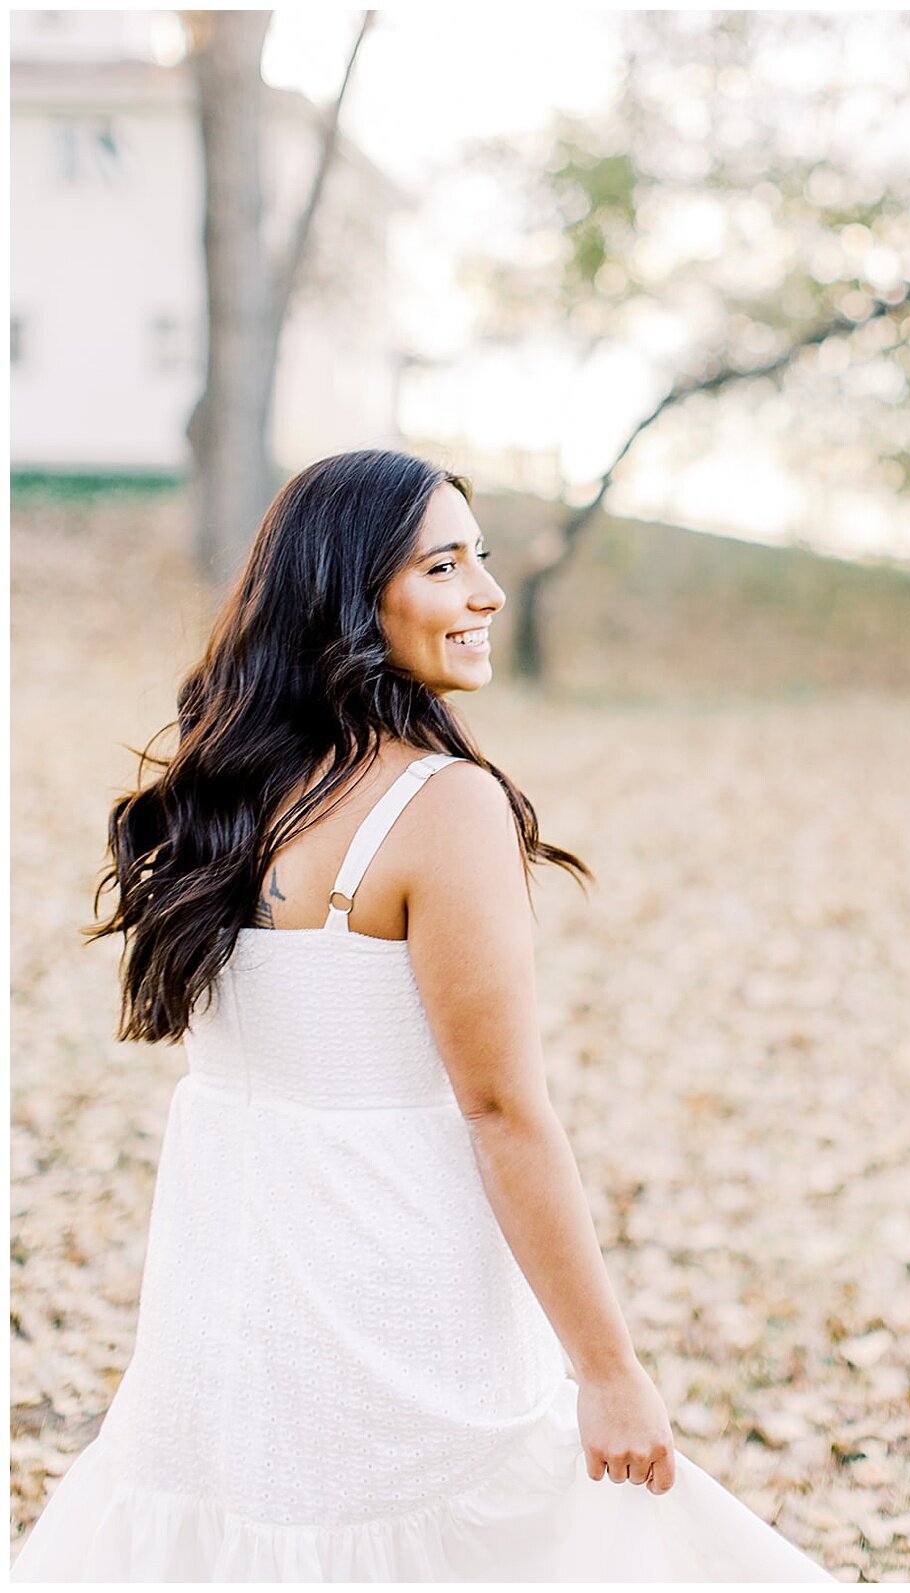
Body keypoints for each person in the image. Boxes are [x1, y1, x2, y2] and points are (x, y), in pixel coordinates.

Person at [10, 449, 834, 1582]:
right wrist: (608, 1368)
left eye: (479, 560)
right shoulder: (443, 807)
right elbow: (502, 1111)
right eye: (444, 566)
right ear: (352, 596)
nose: (486, 593)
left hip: (223, 1337)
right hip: (391, 1315)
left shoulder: (225, 792)